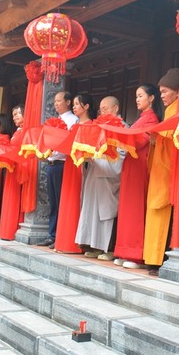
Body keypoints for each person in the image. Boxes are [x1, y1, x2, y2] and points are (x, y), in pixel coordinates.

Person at [114, 84, 164, 268]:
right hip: (131, 164)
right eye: (136, 96)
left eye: (140, 96)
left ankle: (136, 254)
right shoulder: (141, 119)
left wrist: (120, 136)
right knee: (127, 207)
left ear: (151, 98)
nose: (137, 99)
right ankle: (123, 250)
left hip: (140, 165)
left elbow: (141, 141)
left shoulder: (152, 119)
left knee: (135, 207)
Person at [76, 96, 125, 260]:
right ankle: (94, 245)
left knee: (106, 213)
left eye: (106, 108)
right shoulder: (98, 127)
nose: (102, 111)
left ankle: (108, 248)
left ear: (116, 109)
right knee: (91, 211)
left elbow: (121, 156)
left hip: (107, 178)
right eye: (101, 109)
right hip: (94, 174)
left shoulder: (121, 127)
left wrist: (96, 159)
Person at [143, 68, 179, 275]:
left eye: (166, 91)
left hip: (167, 170)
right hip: (159, 169)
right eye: (161, 91)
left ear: (177, 92)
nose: (162, 96)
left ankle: (159, 258)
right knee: (155, 210)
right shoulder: (168, 110)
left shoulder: (178, 109)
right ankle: (153, 257)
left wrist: (159, 139)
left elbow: (175, 140)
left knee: (163, 212)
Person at [54, 94, 96, 253]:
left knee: (76, 200)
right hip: (70, 163)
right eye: (75, 104)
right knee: (67, 199)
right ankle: (63, 241)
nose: (75, 107)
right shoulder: (75, 125)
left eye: (78, 104)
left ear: (86, 107)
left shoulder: (91, 126)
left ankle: (74, 243)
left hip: (81, 165)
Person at [38, 91, 79, 247]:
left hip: (63, 165)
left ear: (68, 102)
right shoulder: (54, 120)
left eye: (59, 101)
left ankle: (61, 235)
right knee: (53, 202)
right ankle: (52, 234)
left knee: (62, 201)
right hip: (51, 163)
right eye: (54, 101)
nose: (55, 103)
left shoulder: (73, 121)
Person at [0, 105, 25, 240]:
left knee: (15, 196)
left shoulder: (26, 131)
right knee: (9, 195)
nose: (14, 117)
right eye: (13, 115)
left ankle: (13, 229)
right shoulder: (17, 132)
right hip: (12, 166)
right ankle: (6, 229)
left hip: (20, 166)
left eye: (17, 114)